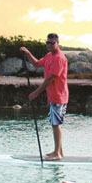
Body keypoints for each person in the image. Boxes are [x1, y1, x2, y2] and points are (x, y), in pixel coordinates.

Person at [20, 33, 69, 161]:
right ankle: (59, 152)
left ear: (57, 43)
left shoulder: (59, 58)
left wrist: (36, 93)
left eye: (52, 43)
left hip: (59, 95)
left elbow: (51, 78)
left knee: (55, 123)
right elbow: (36, 64)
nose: (49, 45)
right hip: (53, 95)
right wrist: (27, 53)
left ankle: (57, 154)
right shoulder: (49, 56)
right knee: (55, 122)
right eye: (47, 43)